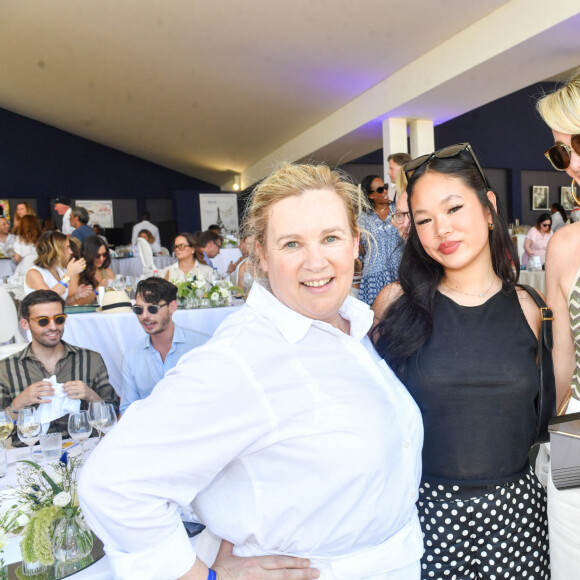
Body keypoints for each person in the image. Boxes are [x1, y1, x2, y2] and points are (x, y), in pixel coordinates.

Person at [79, 162, 424, 580]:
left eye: (330, 237)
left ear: (355, 243)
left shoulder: (351, 326)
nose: (316, 262)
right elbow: (113, 484)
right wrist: (205, 577)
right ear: (260, 253)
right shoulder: (243, 357)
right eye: (292, 244)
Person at [372, 144, 549, 579]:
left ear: (489, 209)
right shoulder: (396, 304)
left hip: (518, 516)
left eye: (453, 209)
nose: (441, 230)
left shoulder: (530, 308)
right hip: (426, 514)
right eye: (424, 219)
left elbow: (548, 407)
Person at [537, 71, 580, 579]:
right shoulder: (565, 246)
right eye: (559, 154)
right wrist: (550, 436)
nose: (571, 166)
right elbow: (562, 355)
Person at [0, 290, 119, 442]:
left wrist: (90, 396)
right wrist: (18, 403)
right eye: (43, 321)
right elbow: (3, 432)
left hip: (84, 448)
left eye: (59, 319)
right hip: (31, 454)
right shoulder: (6, 369)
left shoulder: (90, 359)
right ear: (25, 323)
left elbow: (112, 419)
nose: (53, 327)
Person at [121, 278, 209, 414]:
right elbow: (128, 410)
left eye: (152, 309)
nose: (145, 316)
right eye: (138, 310)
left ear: (172, 307)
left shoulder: (202, 346)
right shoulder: (131, 358)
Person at [358, 174, 401, 305]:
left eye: (386, 187)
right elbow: (361, 249)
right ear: (370, 195)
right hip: (374, 275)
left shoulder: (399, 211)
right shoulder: (363, 219)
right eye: (380, 189)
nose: (386, 191)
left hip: (399, 270)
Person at [25, 230, 93, 306]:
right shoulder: (34, 273)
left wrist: (76, 296)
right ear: (55, 251)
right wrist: (69, 275)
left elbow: (59, 303)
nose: (71, 252)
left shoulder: (60, 270)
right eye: (67, 248)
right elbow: (49, 300)